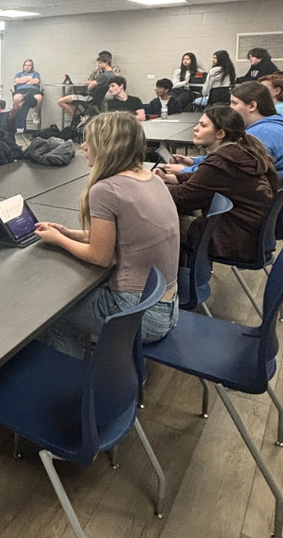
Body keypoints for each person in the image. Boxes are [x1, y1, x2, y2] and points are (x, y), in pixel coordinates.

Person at [36, 112, 179, 358]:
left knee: (52, 309)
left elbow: (100, 257)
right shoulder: (151, 179)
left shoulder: (106, 189)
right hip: (166, 305)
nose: (83, 146)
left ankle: (73, 380)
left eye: (88, 141)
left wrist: (58, 240)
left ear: (106, 146)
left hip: (139, 316)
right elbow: (127, 235)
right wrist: (69, 233)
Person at [156, 105, 279, 264]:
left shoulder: (222, 161)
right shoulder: (240, 152)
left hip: (234, 240)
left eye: (203, 125)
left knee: (161, 220)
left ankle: (178, 280)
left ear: (221, 133)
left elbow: (182, 197)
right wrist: (173, 179)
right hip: (250, 234)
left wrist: (156, 184)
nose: (196, 128)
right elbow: (207, 180)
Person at [171, 82, 283, 177]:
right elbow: (230, 163)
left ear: (252, 106)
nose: (230, 108)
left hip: (262, 199)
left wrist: (185, 170)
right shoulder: (276, 125)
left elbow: (226, 173)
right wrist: (195, 161)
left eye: (234, 103)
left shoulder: (258, 135)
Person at [57, 52, 118, 121]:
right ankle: (80, 116)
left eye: (100, 63)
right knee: (71, 102)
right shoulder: (112, 75)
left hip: (89, 97)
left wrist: (94, 77)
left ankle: (81, 118)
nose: (98, 65)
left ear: (106, 63)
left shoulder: (104, 75)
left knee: (61, 101)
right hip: (98, 98)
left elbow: (90, 87)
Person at [11, 59, 43, 129]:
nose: (27, 67)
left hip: (33, 90)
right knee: (16, 98)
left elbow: (36, 81)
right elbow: (17, 81)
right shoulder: (19, 74)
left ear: (32, 67)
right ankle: (18, 115)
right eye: (25, 65)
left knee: (39, 98)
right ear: (23, 66)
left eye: (29, 65)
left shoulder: (35, 74)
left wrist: (23, 80)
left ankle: (35, 114)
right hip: (21, 90)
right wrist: (29, 79)